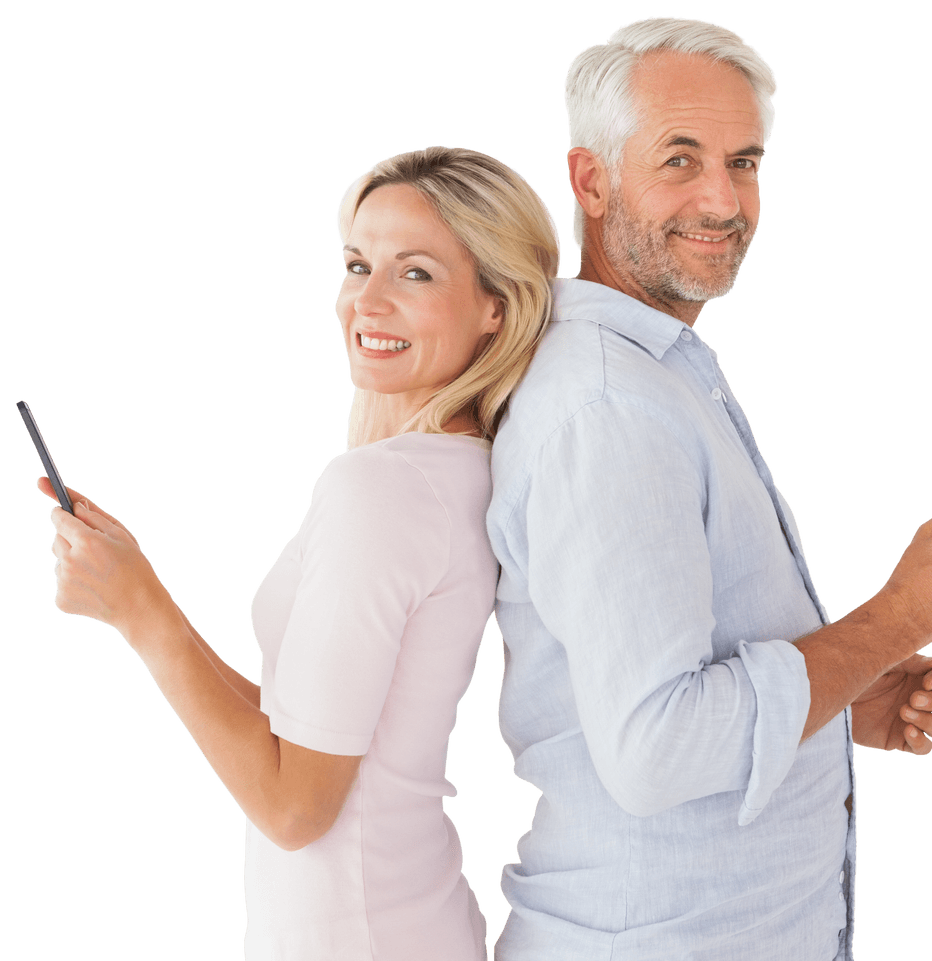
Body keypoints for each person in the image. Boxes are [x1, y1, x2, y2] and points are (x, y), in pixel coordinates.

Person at [486, 18, 932, 961]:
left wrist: (834, 700)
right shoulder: (611, 405)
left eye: (745, 163)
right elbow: (655, 746)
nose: (723, 198)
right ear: (589, 180)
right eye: (681, 159)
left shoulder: (657, 372)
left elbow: (644, 689)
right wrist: (899, 619)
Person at [40, 145, 561, 961]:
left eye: (415, 273)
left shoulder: (383, 490)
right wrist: (139, 587)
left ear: (497, 305)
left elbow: (295, 807)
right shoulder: (457, 473)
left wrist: (140, 615)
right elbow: (314, 734)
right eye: (358, 264)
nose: (366, 301)